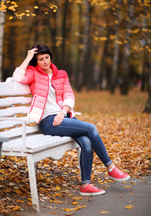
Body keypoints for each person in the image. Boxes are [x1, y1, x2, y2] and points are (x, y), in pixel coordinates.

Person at [13, 43, 130, 196]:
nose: (45, 61)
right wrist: (28, 57)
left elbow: (69, 96)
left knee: (86, 142)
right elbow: (17, 78)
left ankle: (86, 185)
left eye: (46, 57)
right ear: (36, 62)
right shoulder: (32, 73)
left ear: (50, 57)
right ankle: (110, 167)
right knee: (91, 128)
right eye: (40, 59)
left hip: (63, 118)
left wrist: (62, 112)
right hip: (48, 121)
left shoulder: (61, 74)